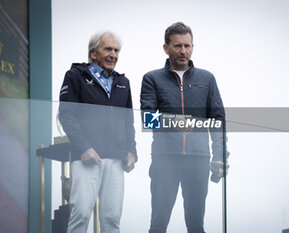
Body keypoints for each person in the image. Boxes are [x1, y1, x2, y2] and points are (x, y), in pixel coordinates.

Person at [140, 22, 228, 233]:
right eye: (177, 45)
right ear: (166, 48)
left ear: (192, 47)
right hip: (165, 159)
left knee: (196, 225)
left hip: (198, 159)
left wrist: (220, 156)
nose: (183, 51)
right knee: (158, 224)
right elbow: (147, 119)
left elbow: (218, 121)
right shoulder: (152, 78)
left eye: (187, 45)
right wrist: (172, 122)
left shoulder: (207, 79)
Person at [59, 31, 137, 233]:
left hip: (116, 159)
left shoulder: (123, 83)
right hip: (87, 157)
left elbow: (128, 122)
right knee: (81, 215)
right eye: (108, 49)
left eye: (116, 50)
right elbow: (66, 115)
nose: (113, 54)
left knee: (111, 219)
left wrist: (131, 151)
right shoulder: (75, 76)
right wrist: (84, 148)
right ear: (93, 54)